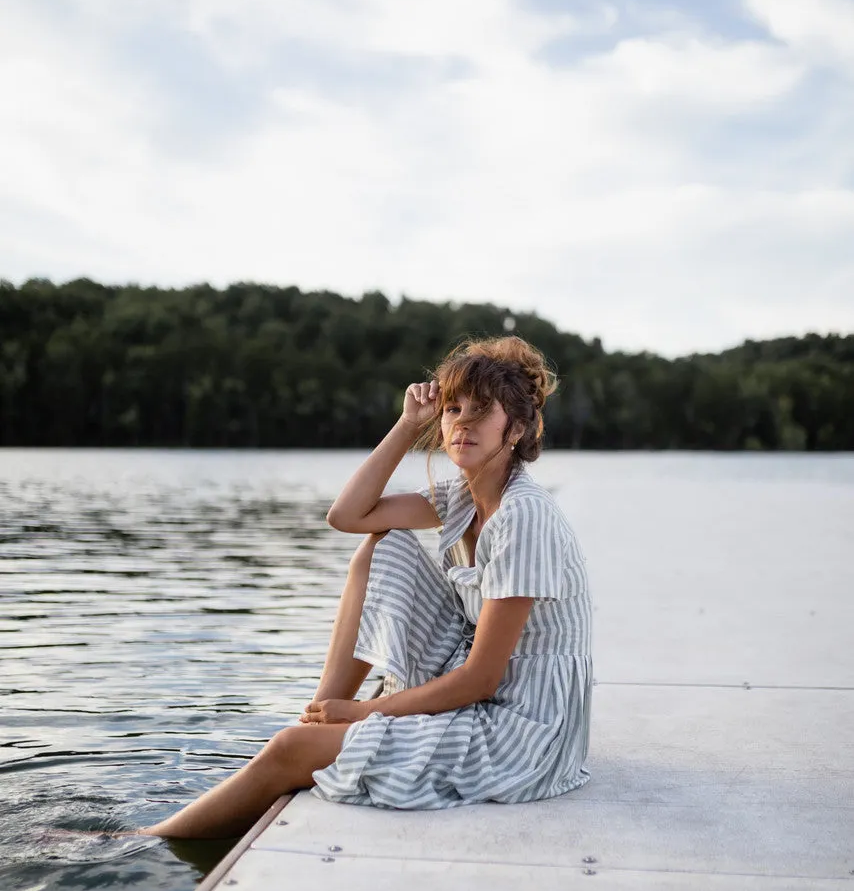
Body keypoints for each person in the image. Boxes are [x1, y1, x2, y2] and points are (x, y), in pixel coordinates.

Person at [142, 336, 592, 840]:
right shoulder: (462, 498)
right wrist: (406, 425)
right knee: (382, 545)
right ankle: (317, 721)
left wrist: (362, 711)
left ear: (519, 428)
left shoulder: (523, 515)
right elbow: (348, 515)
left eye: (482, 410)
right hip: (488, 692)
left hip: (524, 728)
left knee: (287, 752)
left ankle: (145, 842)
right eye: (452, 408)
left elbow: (479, 681)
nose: (461, 422)